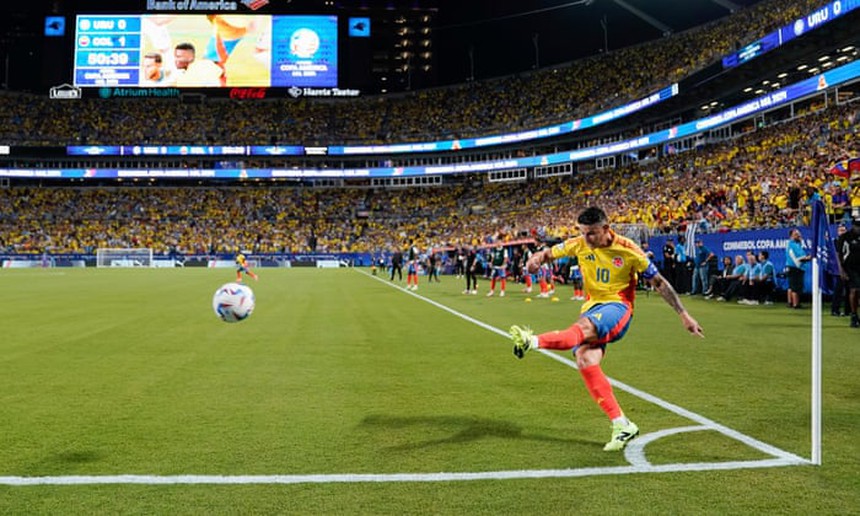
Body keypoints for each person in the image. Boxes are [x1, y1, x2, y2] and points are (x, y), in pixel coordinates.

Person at [509, 207, 704, 452]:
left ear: (605, 228)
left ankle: (532, 340)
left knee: (582, 328)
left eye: (591, 233)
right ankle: (622, 424)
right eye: (583, 232)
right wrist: (536, 259)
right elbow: (549, 253)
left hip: (618, 307)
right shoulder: (579, 244)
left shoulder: (628, 249)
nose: (586, 238)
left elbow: (658, 282)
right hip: (592, 307)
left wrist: (683, 314)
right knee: (585, 359)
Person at [835, 217, 860, 328]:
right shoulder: (845, 237)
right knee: (854, 290)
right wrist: (841, 270)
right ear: (853, 225)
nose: (859, 228)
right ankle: (853, 315)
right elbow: (839, 254)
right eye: (857, 226)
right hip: (850, 268)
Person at [785, 228, 811, 309]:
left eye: (799, 234)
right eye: (796, 234)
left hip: (793, 267)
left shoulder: (794, 244)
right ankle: (796, 304)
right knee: (795, 287)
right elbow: (799, 259)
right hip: (795, 267)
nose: (799, 236)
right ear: (791, 236)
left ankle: (790, 302)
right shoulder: (793, 245)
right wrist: (809, 258)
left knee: (791, 286)